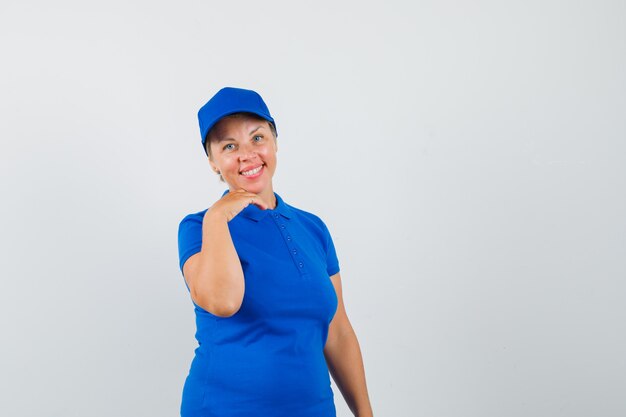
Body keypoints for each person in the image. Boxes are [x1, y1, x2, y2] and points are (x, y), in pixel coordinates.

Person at [177, 87, 373, 417]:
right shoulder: (198, 227)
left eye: (257, 138)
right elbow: (223, 302)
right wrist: (218, 216)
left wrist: (366, 414)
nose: (247, 154)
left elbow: (337, 332)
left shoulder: (313, 228)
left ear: (275, 142)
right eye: (229, 146)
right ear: (212, 162)